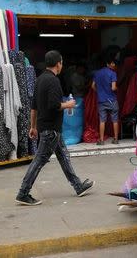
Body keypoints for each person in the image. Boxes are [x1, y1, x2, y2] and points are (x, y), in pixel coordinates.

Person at [16, 50, 95, 206]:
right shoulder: (53, 81)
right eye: (62, 62)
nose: (62, 65)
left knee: (64, 157)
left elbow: (34, 107)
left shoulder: (39, 80)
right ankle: (23, 192)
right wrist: (69, 104)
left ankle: (78, 186)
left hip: (50, 129)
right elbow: (53, 106)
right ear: (58, 63)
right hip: (50, 130)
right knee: (39, 160)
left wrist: (33, 127)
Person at [92, 51, 119, 145]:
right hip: (112, 100)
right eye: (113, 63)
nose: (114, 65)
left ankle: (101, 140)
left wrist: (99, 92)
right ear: (109, 64)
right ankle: (115, 139)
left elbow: (93, 86)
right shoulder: (113, 73)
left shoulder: (97, 73)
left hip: (101, 100)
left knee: (102, 120)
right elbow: (113, 87)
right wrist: (117, 88)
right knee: (115, 119)